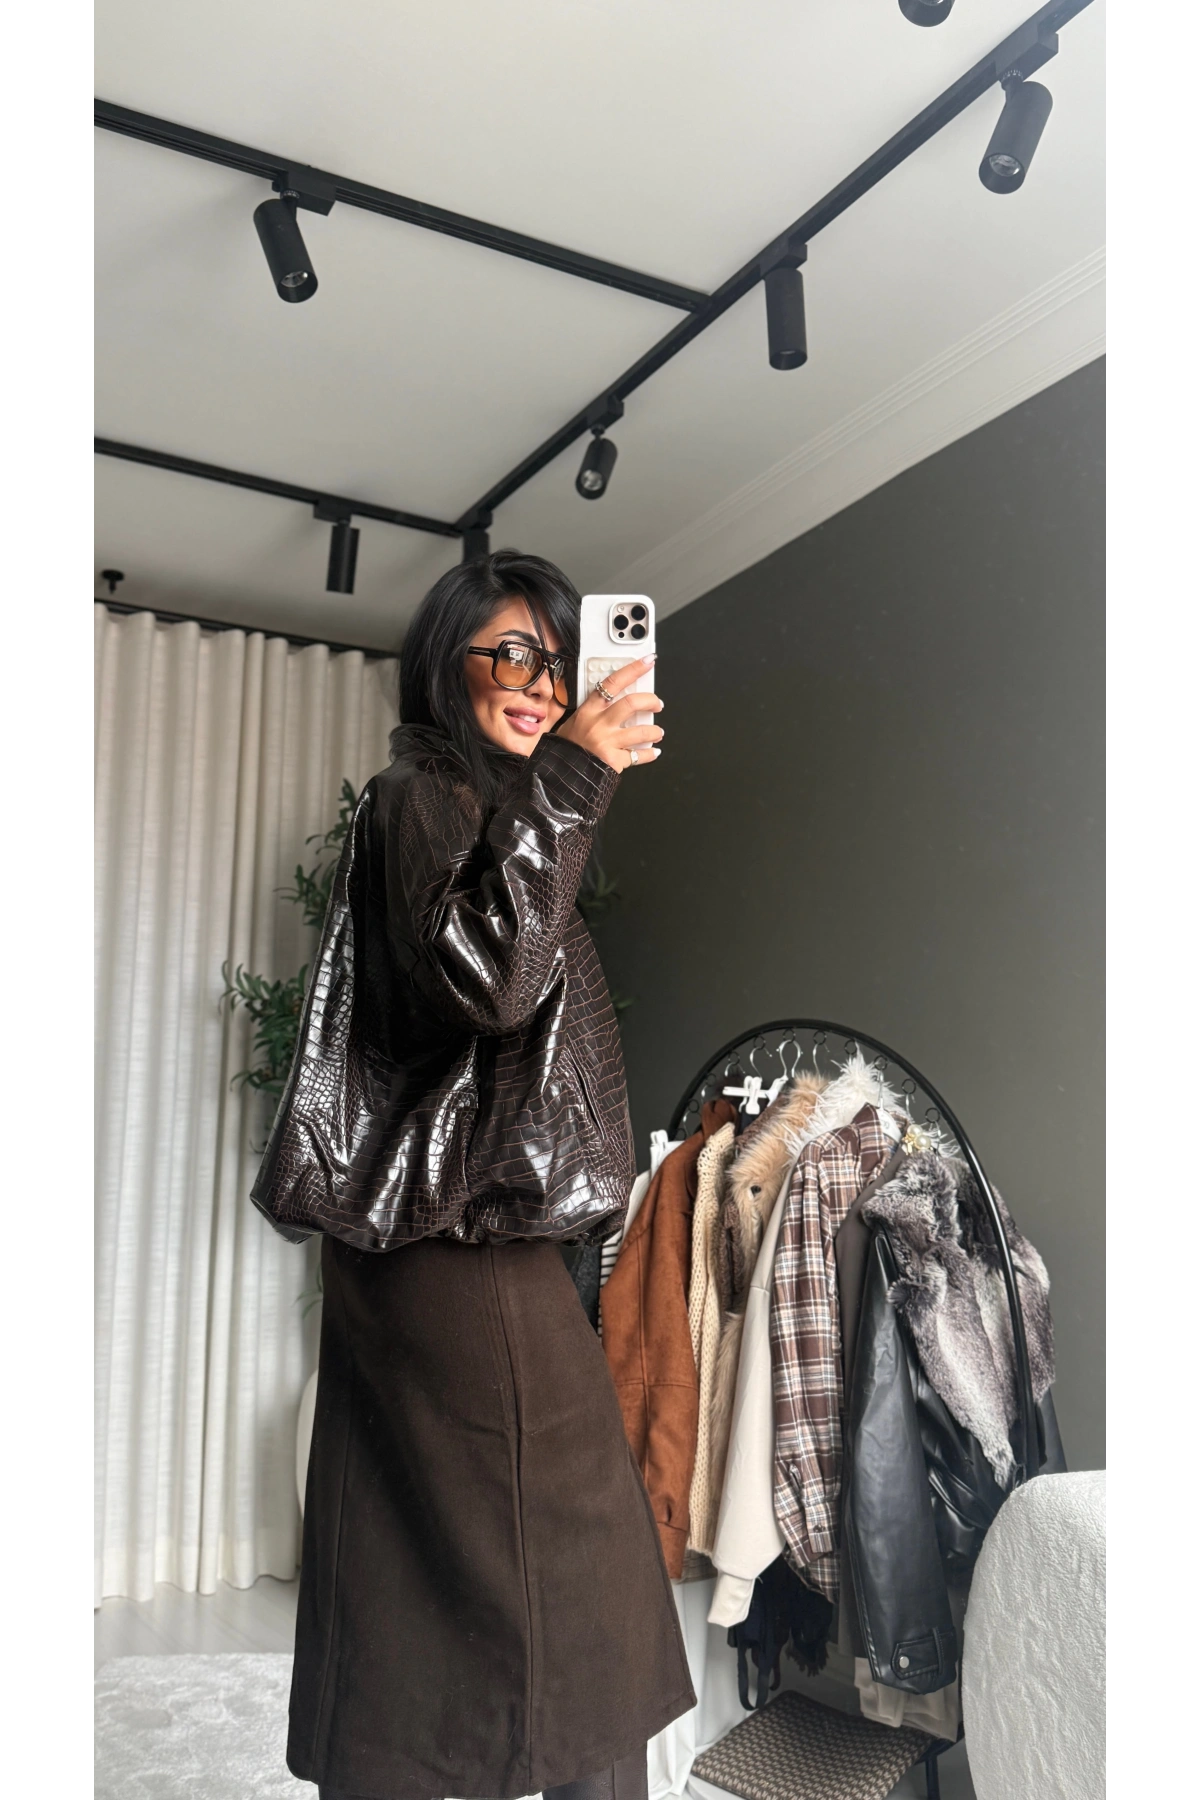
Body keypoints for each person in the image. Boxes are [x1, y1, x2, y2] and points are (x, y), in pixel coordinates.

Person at [265, 550, 693, 1800]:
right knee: (584, 1573)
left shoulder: (481, 808)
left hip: (420, 1240)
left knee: (399, 1562)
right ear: (443, 665)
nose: (540, 683)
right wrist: (580, 776)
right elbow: (493, 979)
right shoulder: (422, 795)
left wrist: (557, 791)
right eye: (510, 653)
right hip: (458, 1244)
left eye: (555, 663)